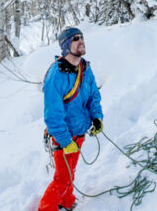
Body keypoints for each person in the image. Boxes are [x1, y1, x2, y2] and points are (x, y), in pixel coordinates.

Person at [38, 26, 103, 211]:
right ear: (66, 45)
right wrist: (66, 141)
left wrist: (97, 117)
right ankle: (46, 207)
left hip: (80, 130)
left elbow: (93, 97)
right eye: (75, 38)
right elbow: (52, 115)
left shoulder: (85, 68)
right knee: (62, 177)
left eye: (82, 37)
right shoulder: (56, 75)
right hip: (62, 135)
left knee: (70, 171)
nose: (81, 40)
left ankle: (65, 201)